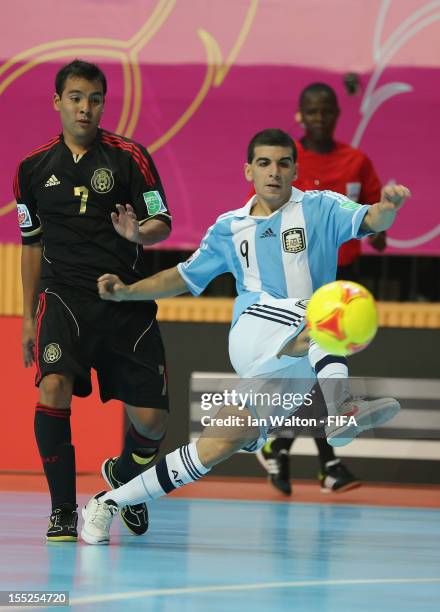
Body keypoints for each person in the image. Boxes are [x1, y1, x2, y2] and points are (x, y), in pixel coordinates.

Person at [79, 128, 410, 544]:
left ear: (295, 170)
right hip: (255, 329)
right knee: (328, 308)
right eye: (265, 163)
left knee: (215, 446)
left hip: (300, 354)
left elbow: (373, 218)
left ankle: (107, 503)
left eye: (284, 163)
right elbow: (181, 276)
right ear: (249, 170)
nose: (274, 172)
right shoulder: (230, 227)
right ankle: (340, 406)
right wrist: (127, 292)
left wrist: (391, 208)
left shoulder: (321, 208)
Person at [14, 59, 172, 542]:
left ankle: (124, 478)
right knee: (53, 386)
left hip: (124, 299)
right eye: (77, 97)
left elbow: (161, 222)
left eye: (96, 98)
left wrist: (136, 230)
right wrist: (26, 318)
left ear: (105, 103)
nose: (86, 107)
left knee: (152, 420)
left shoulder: (131, 157)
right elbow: (31, 245)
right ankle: (63, 510)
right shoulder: (31, 168)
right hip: (62, 299)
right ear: (58, 101)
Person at [255, 82, 387, 496]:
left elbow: (373, 214)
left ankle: (283, 444)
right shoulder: (286, 160)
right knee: (317, 374)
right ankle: (327, 463)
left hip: (343, 286)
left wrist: (380, 231)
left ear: (336, 114)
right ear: (300, 114)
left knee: (320, 375)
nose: (318, 119)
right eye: (311, 112)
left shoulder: (356, 161)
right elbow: (262, 215)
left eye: (326, 111)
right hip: (297, 286)